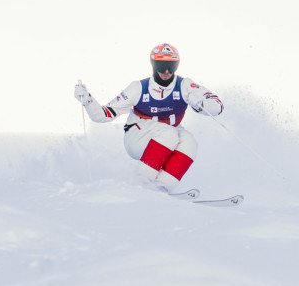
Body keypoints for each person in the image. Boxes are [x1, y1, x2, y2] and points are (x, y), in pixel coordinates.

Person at [74, 43, 224, 192]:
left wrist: (202, 103)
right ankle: (141, 183)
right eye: (161, 65)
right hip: (139, 137)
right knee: (168, 133)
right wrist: (87, 100)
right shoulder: (138, 88)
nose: (166, 71)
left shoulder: (184, 85)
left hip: (167, 137)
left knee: (189, 142)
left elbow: (217, 107)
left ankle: (161, 188)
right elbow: (102, 115)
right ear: (153, 64)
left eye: (171, 66)